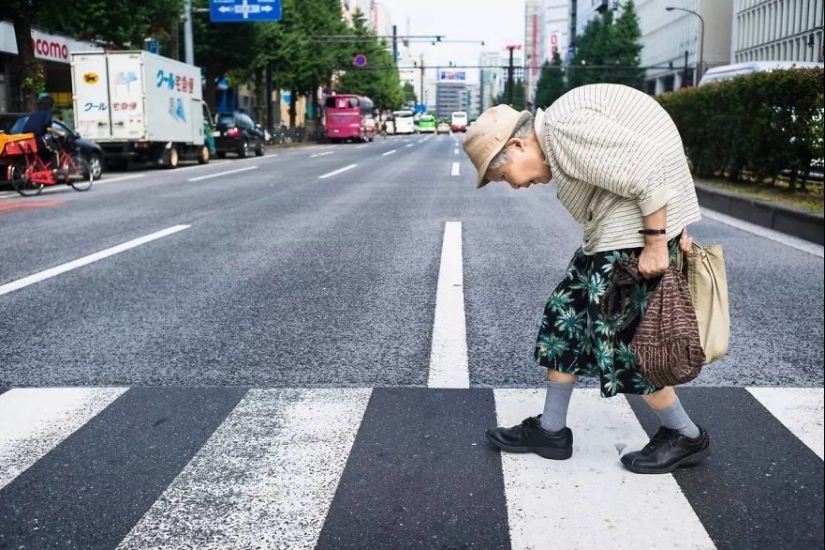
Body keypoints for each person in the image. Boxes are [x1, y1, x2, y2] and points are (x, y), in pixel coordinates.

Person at [463, 83, 709, 475]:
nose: (515, 186)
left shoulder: (563, 129)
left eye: (504, 175)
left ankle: (685, 435)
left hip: (632, 236)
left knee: (628, 344)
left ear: (518, 145)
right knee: (565, 321)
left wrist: (658, 241)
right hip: (616, 231)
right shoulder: (561, 133)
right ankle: (551, 431)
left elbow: (646, 166)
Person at [22, 94, 64, 171]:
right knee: (55, 150)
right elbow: (48, 128)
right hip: (37, 138)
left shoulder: (35, 113)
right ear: (50, 105)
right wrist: (59, 133)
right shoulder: (47, 114)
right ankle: (55, 170)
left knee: (43, 152)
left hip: (27, 139)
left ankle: (43, 169)